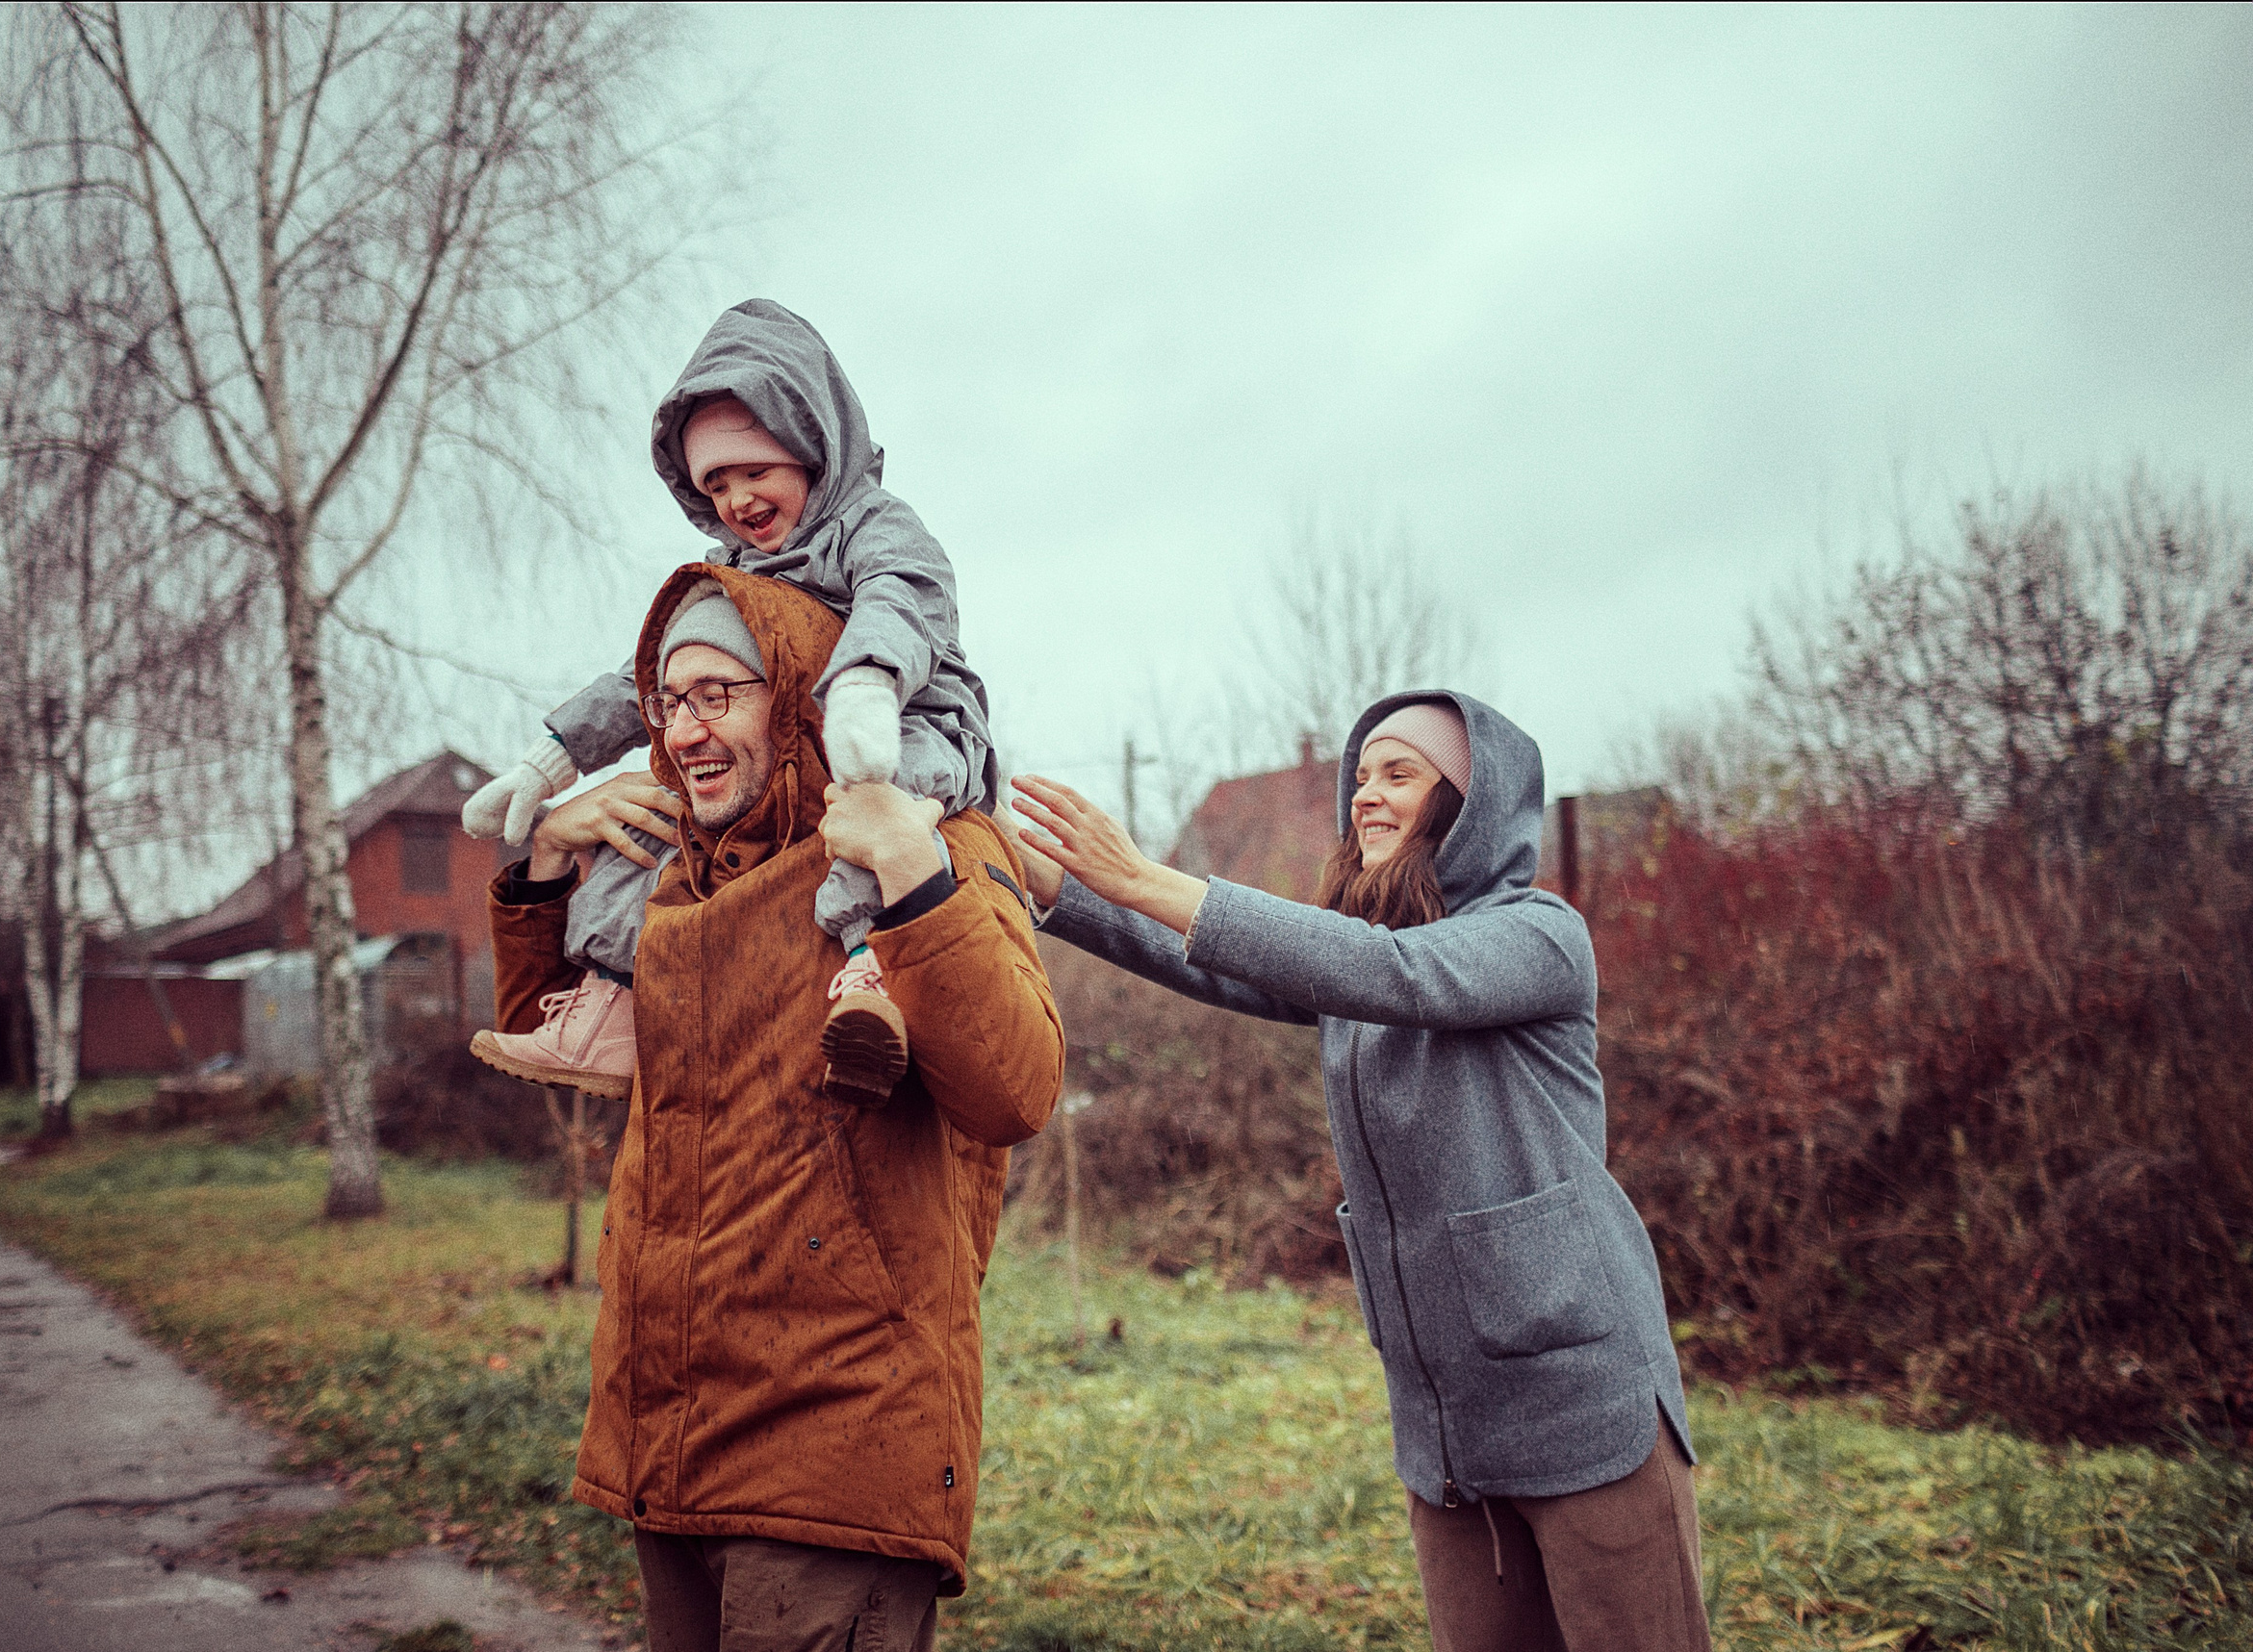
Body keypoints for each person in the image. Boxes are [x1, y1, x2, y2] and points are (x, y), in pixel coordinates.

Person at [1008, 691, 1711, 1652]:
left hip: (1586, 1409)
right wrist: (1030, 869)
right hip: (1448, 1432)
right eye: (1360, 776)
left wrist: (1141, 874)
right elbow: (1211, 957)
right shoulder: (1354, 962)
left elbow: (1389, 972)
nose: (1363, 797)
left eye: (1398, 774)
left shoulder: (1539, 936)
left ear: (1467, 806)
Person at [485, 565, 1062, 1652]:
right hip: (671, 1435)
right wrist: (548, 863)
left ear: (801, 697)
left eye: (721, 694)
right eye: (668, 700)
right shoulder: (675, 877)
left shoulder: (931, 842)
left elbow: (1015, 1089)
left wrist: (918, 880)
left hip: (836, 1446)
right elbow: (551, 1041)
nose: (686, 731)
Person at [465, 298, 995, 1107]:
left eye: (757, 470)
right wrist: (548, 763)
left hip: (908, 714)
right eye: (716, 481)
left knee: (877, 810)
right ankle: (608, 1001)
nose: (738, 497)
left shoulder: (873, 528)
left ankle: (871, 968)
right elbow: (634, 680)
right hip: (786, 746)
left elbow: (903, 596)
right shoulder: (731, 572)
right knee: (652, 815)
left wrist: (864, 687)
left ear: (814, 450)